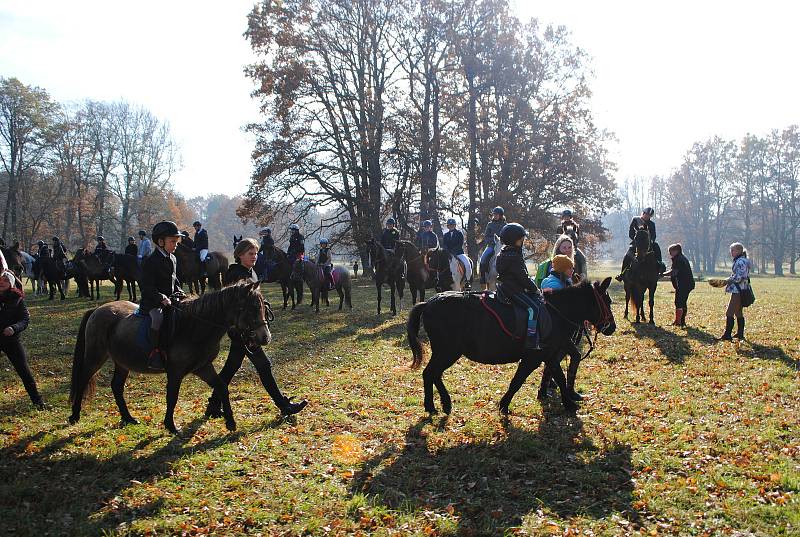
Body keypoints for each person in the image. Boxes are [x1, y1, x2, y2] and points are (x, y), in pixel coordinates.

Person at [207, 238, 307, 418]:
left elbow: (255, 298)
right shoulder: (234, 274)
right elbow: (238, 305)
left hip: (247, 328)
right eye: (250, 254)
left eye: (255, 253)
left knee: (231, 367)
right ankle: (284, 406)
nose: (254, 257)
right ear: (239, 255)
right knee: (264, 365)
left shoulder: (250, 272)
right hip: (243, 330)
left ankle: (213, 404)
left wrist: (264, 305)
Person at [139, 221, 186, 370]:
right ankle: (155, 352)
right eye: (173, 241)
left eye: (176, 241)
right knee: (158, 318)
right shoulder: (150, 261)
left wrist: (180, 291)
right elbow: (146, 287)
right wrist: (160, 297)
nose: (176, 244)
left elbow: (174, 280)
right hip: (152, 302)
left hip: (170, 300)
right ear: (160, 242)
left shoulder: (173, 258)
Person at [496, 223, 543, 350]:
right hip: (514, 290)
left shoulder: (502, 253)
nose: (522, 241)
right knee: (534, 309)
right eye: (521, 239)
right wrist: (535, 289)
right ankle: (530, 338)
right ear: (514, 240)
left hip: (504, 288)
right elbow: (523, 278)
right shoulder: (515, 257)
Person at [0, 269, 43, 409]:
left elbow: (24, 319)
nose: (2, 282)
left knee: (24, 371)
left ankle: (38, 402)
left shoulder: (17, 299)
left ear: (11, 283)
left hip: (11, 341)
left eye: (6, 280)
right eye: (1, 279)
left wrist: (13, 328)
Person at [616, 207, 665, 280]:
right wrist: (637, 240)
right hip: (637, 242)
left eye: (649, 215)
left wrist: (650, 241)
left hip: (648, 243)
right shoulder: (635, 220)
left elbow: (653, 235)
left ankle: (660, 269)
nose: (647, 216)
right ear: (643, 213)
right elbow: (631, 233)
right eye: (646, 214)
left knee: (657, 248)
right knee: (627, 256)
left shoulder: (652, 224)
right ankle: (622, 274)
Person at [717, 242, 752, 341]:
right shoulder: (741, 260)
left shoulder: (740, 261)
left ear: (739, 251)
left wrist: (728, 281)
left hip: (738, 290)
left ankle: (727, 335)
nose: (731, 252)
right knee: (738, 312)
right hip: (741, 288)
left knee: (729, 312)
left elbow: (740, 276)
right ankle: (740, 334)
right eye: (731, 250)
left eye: (733, 250)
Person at [663, 243, 695, 327]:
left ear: (676, 251)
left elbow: (673, 272)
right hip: (687, 283)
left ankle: (678, 322)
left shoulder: (679, 259)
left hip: (684, 284)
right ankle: (681, 321)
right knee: (682, 302)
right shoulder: (681, 258)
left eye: (671, 251)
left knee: (679, 302)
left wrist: (662, 274)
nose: (670, 253)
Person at [479, 206, 507, 289]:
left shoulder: (505, 225)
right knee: (483, 260)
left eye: (496, 214)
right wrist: (493, 241)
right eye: (494, 214)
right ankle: (483, 279)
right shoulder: (490, 224)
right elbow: (486, 236)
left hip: (503, 246)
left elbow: (507, 236)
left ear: (501, 215)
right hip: (491, 246)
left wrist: (501, 242)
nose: (495, 216)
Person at [442, 218, 473, 284]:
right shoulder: (445, 235)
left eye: (452, 225)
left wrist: (453, 251)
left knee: (467, 264)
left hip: (459, 253)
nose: (451, 226)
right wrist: (448, 251)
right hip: (448, 254)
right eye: (449, 225)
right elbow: (444, 245)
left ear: (455, 225)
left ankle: (467, 281)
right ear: (447, 226)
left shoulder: (459, 233)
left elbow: (460, 244)